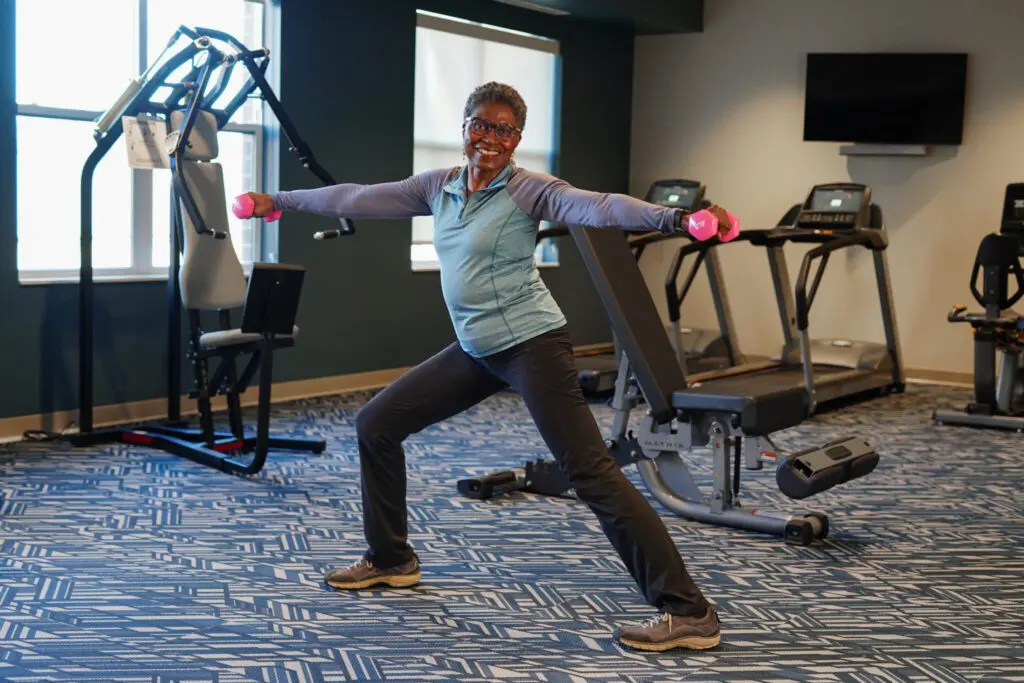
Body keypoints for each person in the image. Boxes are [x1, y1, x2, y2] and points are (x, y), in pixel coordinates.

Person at [242, 82, 735, 652]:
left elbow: (598, 206)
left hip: (532, 344)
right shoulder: (438, 187)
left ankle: (689, 610)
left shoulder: (529, 190)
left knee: (590, 472)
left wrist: (676, 220)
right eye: (481, 124)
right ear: (465, 128)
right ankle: (391, 559)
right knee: (376, 424)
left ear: (517, 139)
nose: (490, 137)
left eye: (504, 129)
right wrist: (278, 200)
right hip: (476, 349)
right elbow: (354, 198)